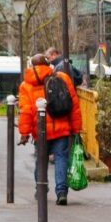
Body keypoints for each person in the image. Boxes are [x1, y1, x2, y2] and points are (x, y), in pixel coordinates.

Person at [18, 54, 82, 206]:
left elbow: (25, 111)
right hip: (62, 127)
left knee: (41, 159)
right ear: (47, 63)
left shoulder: (26, 86)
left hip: (40, 131)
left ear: (31, 66)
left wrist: (24, 133)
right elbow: (74, 105)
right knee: (61, 159)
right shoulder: (62, 78)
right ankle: (61, 192)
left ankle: (41, 188)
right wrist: (76, 128)